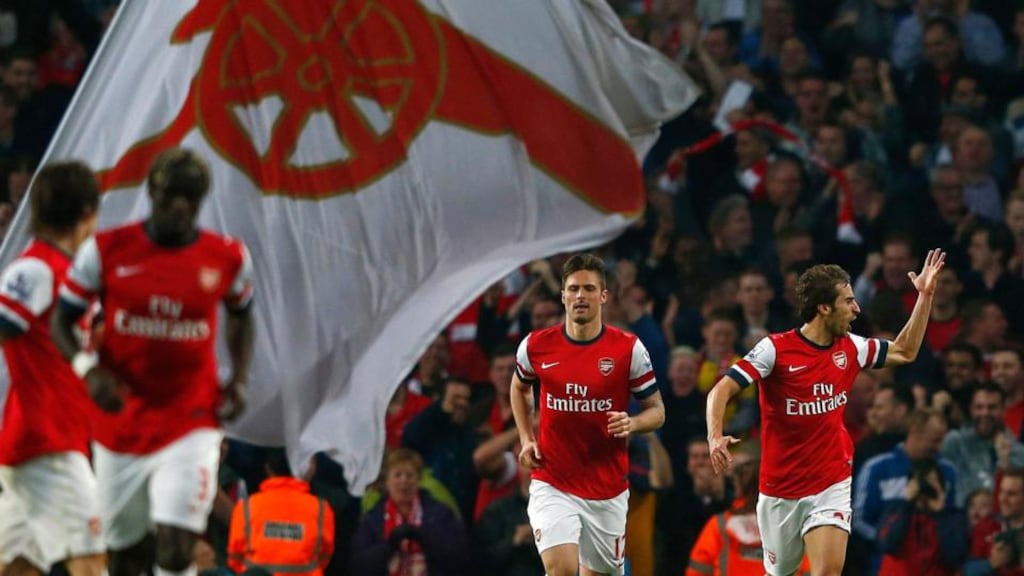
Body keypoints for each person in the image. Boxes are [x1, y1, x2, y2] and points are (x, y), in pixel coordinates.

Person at [51, 148, 255, 576]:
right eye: (172, 195)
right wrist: (89, 372)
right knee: (127, 557)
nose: (181, 205)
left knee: (177, 546)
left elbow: (241, 314)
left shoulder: (227, 257)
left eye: (191, 197)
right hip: (120, 423)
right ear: (152, 193)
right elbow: (62, 321)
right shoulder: (106, 251)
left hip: (191, 421)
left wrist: (239, 377)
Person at [706, 250, 946, 576]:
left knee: (827, 572)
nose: (856, 309)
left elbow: (905, 350)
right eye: (848, 301)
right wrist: (715, 436)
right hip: (780, 489)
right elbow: (721, 390)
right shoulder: (774, 350)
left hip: (830, 480)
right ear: (824, 308)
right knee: (782, 573)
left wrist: (925, 296)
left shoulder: (851, 348)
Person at [509, 253, 665, 576]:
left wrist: (633, 423)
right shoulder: (536, 346)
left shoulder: (628, 349)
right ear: (563, 295)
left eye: (590, 289)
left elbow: (657, 411)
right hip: (553, 481)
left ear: (603, 296)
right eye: (574, 289)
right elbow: (519, 388)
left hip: (607, 488)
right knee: (562, 570)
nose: (581, 296)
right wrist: (526, 439)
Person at [0, 161, 103, 576]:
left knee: (20, 567)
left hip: (41, 443)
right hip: (49, 445)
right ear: (85, 213)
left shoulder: (68, 276)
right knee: (93, 560)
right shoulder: (35, 269)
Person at [349, 448, 470, 576]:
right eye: (397, 475)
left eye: (409, 475)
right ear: (387, 482)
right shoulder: (372, 519)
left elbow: (459, 557)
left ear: (418, 481)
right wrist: (389, 545)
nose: (403, 481)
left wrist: (423, 537)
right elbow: (358, 565)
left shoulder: (441, 513)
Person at [226, 449, 334, 576]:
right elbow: (325, 555)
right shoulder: (321, 508)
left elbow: (234, 557)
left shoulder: (246, 507)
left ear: (268, 469)